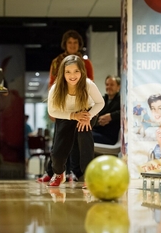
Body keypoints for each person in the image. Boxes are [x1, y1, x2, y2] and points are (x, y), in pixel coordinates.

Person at [37, 29, 95, 183]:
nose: (72, 45)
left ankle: (77, 173)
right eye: (70, 42)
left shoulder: (86, 63)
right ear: (65, 44)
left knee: (79, 142)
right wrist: (53, 106)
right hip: (63, 106)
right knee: (59, 142)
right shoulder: (57, 62)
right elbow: (52, 83)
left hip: (82, 106)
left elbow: (91, 82)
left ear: (79, 45)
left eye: (75, 42)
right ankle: (54, 172)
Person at [46, 55, 104, 187]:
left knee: (84, 138)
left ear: (82, 72)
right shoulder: (55, 89)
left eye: (76, 71)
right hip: (66, 115)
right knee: (57, 151)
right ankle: (59, 174)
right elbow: (52, 111)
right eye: (68, 72)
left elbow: (100, 103)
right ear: (63, 73)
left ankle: (89, 176)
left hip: (86, 113)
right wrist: (73, 116)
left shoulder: (88, 84)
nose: (72, 75)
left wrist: (88, 116)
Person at [91, 75, 121, 145]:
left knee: (81, 136)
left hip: (108, 136)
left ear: (118, 87)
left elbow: (125, 112)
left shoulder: (121, 101)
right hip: (98, 131)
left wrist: (111, 116)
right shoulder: (102, 100)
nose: (109, 87)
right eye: (107, 85)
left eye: (112, 85)